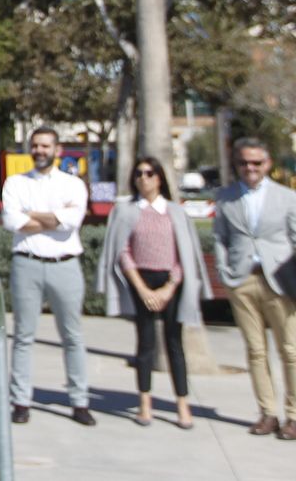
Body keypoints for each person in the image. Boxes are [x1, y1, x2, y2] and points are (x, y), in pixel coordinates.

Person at [96, 155, 211, 428]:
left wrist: (170, 286)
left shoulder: (175, 211)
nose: (143, 178)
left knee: (174, 344)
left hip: (171, 281)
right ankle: (144, 404)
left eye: (149, 173)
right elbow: (122, 251)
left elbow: (185, 253)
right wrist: (142, 288)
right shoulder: (126, 211)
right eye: (139, 173)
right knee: (145, 344)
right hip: (140, 280)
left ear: (160, 177)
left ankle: (183, 404)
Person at [3, 127, 94, 426]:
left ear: (57, 150)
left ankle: (79, 402)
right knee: (23, 336)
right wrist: (55, 217)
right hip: (26, 264)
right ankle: (21, 401)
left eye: (46, 146)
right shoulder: (15, 183)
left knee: (72, 336)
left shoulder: (73, 185)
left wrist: (34, 215)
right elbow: (12, 221)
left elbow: (70, 223)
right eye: (36, 145)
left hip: (65, 265)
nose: (40, 150)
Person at [213, 136, 296, 439]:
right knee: (256, 351)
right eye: (244, 162)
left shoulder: (287, 197)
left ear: (268, 164)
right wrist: (224, 272)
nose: (250, 167)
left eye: (256, 162)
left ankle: (294, 416)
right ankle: (268, 414)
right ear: (236, 165)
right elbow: (220, 237)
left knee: (291, 350)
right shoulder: (225, 197)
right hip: (242, 280)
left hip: (280, 281)